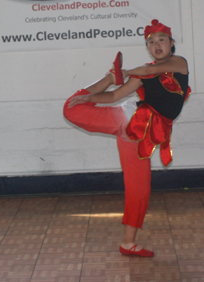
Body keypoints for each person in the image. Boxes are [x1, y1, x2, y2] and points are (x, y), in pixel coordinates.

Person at [63, 19, 190, 257]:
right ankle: (106, 77)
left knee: (140, 189)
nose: (156, 44)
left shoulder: (179, 63)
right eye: (151, 42)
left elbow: (152, 70)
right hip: (128, 119)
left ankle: (128, 243)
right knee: (71, 107)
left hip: (140, 139)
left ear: (171, 44)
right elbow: (113, 97)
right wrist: (99, 90)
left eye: (161, 39)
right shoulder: (143, 73)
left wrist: (122, 73)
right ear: (148, 48)